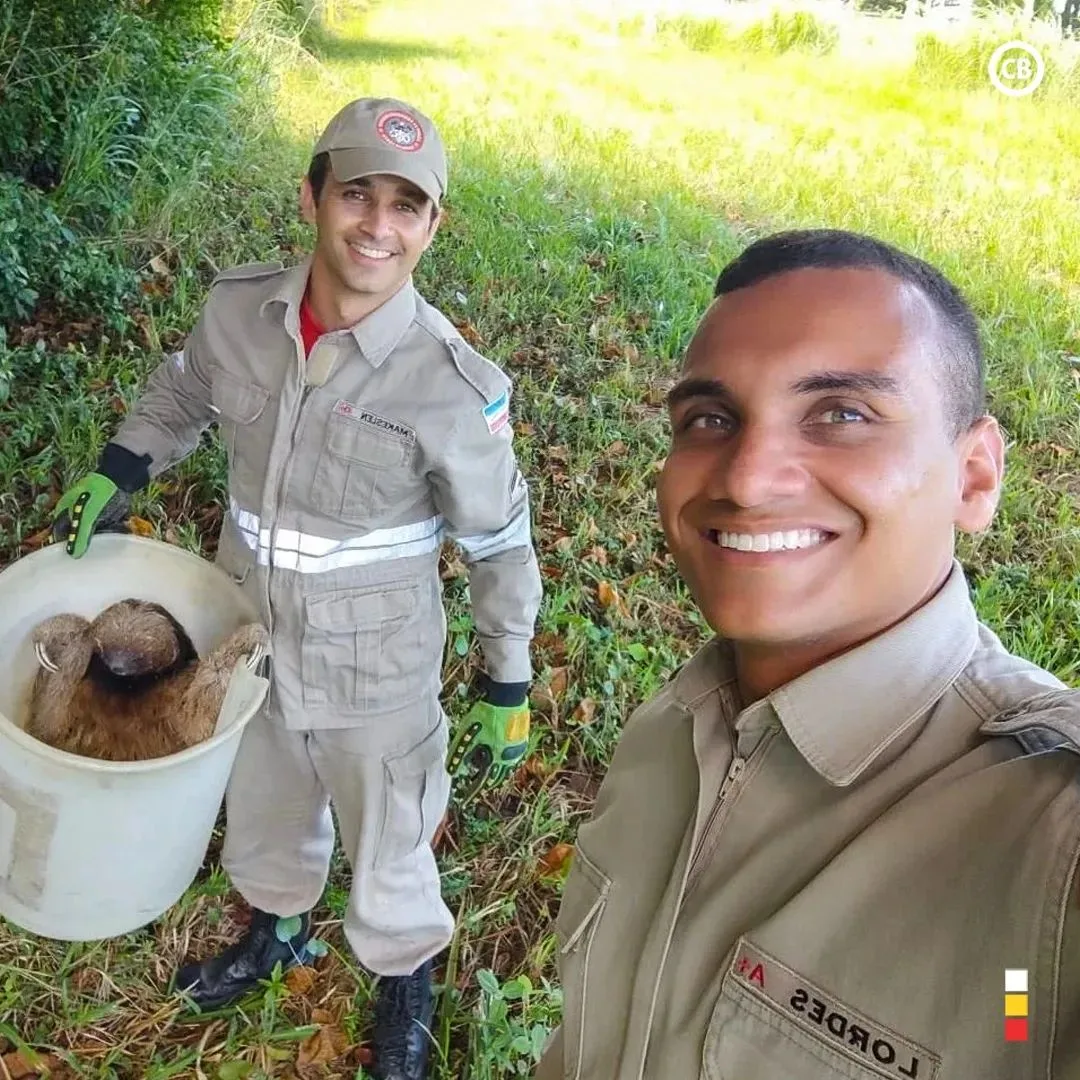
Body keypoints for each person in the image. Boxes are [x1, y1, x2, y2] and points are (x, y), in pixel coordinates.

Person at [51, 96, 543, 1080]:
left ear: (432, 226)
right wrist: (125, 460)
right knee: (269, 803)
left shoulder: (451, 385)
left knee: (390, 832)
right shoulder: (240, 311)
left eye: (408, 206)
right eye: (357, 193)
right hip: (250, 637)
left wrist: (509, 679)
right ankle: (276, 929)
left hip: (378, 668)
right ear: (313, 196)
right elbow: (184, 388)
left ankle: (405, 974)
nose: (378, 225)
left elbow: (499, 540)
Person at [533, 228, 1080, 1080]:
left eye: (842, 415)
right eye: (710, 419)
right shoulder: (672, 728)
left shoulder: (1043, 837)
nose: (746, 479)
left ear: (974, 477)